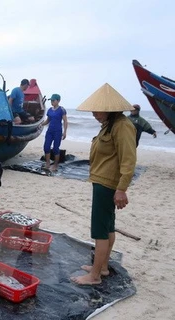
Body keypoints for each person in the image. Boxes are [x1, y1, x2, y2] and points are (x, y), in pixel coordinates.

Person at [71, 83, 136, 285]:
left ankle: (95, 276)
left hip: (108, 185)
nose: (93, 114)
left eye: (96, 110)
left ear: (108, 108)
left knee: (100, 230)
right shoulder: (110, 124)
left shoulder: (122, 126)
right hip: (103, 182)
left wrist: (122, 189)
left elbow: (128, 159)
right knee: (108, 227)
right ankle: (103, 267)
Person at [40, 94, 68, 172]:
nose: (52, 102)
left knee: (56, 148)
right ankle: (48, 163)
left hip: (57, 131)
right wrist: (41, 124)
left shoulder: (61, 110)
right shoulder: (49, 110)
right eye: (51, 100)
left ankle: (55, 164)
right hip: (50, 131)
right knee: (46, 147)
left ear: (58, 101)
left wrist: (65, 132)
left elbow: (65, 121)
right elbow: (48, 120)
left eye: (53, 100)